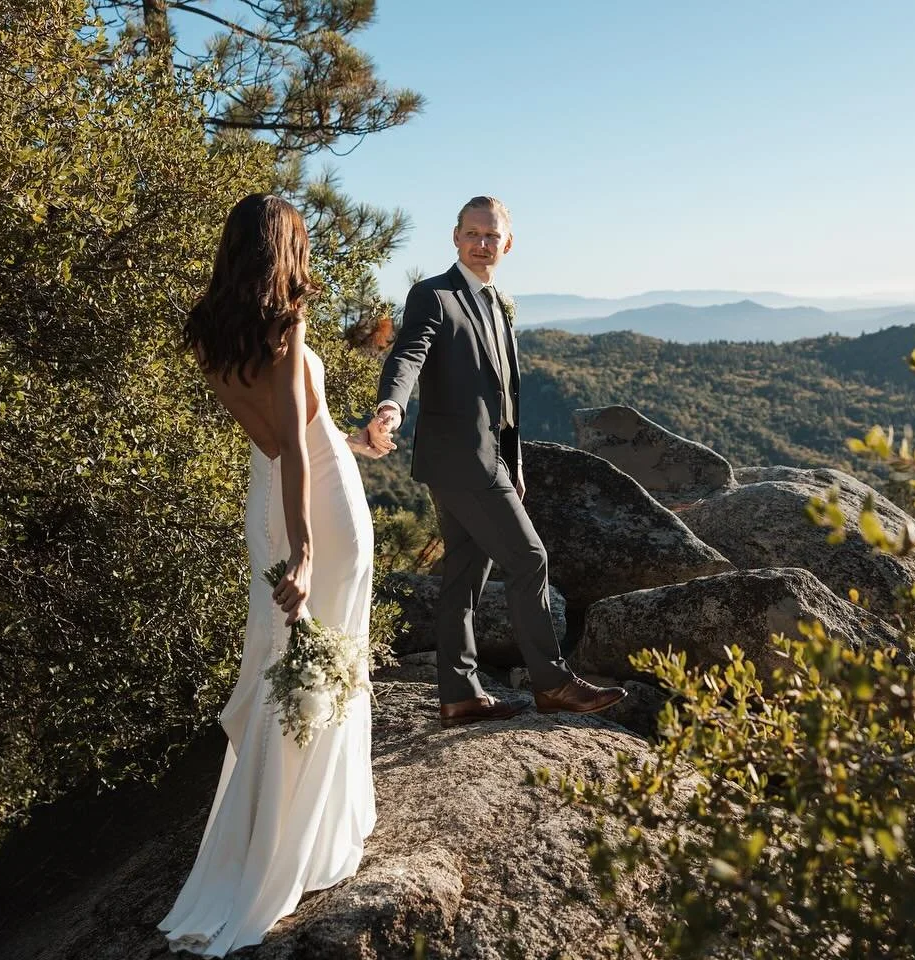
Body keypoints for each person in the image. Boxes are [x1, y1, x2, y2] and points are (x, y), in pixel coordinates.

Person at [159, 194, 391, 955]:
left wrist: (350, 442)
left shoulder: (208, 333)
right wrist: (308, 551)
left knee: (281, 671)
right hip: (315, 512)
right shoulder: (287, 327)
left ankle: (265, 839)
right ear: (284, 249)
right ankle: (313, 839)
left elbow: (289, 437)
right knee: (329, 666)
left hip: (269, 506)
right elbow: (294, 441)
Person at [370, 195, 627, 728]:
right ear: (455, 236)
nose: (481, 243)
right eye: (472, 234)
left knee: (464, 575)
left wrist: (516, 465)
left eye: (491, 236)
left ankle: (459, 695)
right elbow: (409, 353)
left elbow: (504, 395)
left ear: (507, 244)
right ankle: (552, 683)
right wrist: (392, 403)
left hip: (490, 460)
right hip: (463, 461)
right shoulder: (434, 295)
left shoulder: (495, 302)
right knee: (529, 559)